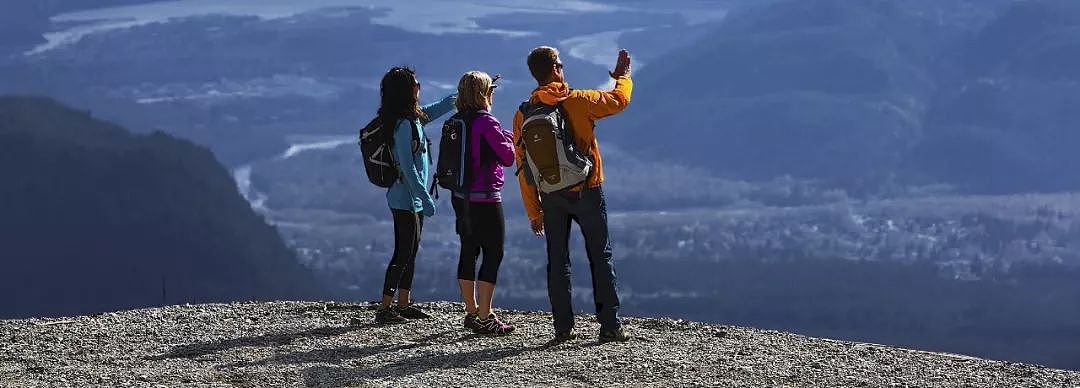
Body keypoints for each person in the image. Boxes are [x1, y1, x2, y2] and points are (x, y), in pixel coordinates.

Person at [513, 47, 633, 342]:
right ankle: (609, 325)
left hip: (551, 195)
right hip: (587, 189)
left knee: (558, 260)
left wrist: (533, 212)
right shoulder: (578, 100)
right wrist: (623, 77)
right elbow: (620, 101)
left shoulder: (523, 114)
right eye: (561, 64)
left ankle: (563, 329)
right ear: (555, 69)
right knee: (600, 256)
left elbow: (523, 167)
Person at [374, 66, 456, 324]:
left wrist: (465, 93)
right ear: (405, 91)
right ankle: (385, 308)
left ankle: (403, 303)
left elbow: (437, 108)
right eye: (416, 84)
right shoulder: (404, 126)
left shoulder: (412, 119)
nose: (419, 87)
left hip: (412, 200)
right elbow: (407, 168)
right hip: (404, 200)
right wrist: (426, 198)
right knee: (403, 251)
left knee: (411, 251)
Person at [448, 71, 517, 335]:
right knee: (494, 252)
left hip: (460, 197)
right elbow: (508, 158)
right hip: (486, 197)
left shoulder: (456, 121)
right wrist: (508, 138)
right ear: (485, 94)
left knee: (468, 250)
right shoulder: (487, 122)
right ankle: (487, 315)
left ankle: (471, 311)